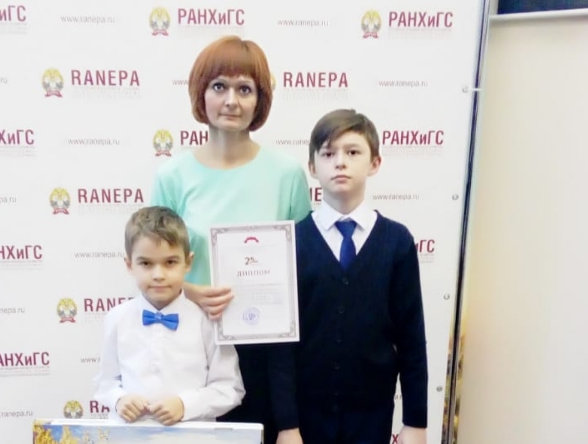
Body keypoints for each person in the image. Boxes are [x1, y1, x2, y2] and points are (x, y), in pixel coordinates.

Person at [149, 35, 312, 444]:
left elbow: (302, 269)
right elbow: (151, 266)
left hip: (267, 356)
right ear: (200, 93)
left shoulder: (287, 174)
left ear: (260, 100)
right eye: (219, 86)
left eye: (245, 89)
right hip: (191, 346)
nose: (231, 101)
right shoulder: (172, 177)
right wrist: (192, 292)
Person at [275, 109, 429, 444]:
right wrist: (286, 424)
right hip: (306, 418)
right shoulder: (291, 241)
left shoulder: (397, 242)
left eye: (353, 152)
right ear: (312, 167)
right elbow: (282, 346)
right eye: (328, 154)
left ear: (374, 163)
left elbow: (412, 340)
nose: (340, 163)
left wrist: (415, 421)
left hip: (372, 417)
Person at [93, 206, 245, 425]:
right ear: (129, 265)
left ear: (188, 263)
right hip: (131, 436)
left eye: (170, 262)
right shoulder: (116, 318)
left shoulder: (208, 320)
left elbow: (229, 388)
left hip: (192, 437)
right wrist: (119, 399)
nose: (158, 275)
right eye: (146, 263)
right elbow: (106, 382)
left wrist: (185, 405)